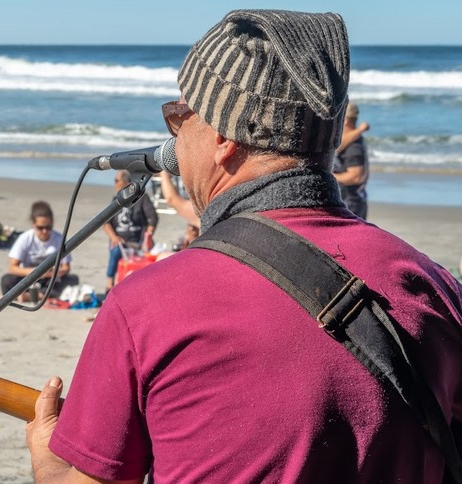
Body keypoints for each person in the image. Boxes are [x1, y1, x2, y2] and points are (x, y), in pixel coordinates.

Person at [26, 9, 462, 483]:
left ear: (221, 138)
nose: (171, 138)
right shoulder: (436, 286)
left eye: (177, 116)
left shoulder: (148, 306)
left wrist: (51, 469)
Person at [0, 201, 79, 302]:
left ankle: (34, 296)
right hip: (29, 278)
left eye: (48, 227)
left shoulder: (59, 239)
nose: (44, 231)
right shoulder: (25, 238)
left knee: (72, 280)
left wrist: (56, 272)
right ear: (33, 225)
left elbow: (66, 267)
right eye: (40, 228)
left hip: (50, 279)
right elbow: (12, 267)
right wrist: (36, 272)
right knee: (7, 280)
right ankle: (35, 295)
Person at [103, 170, 158, 292]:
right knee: (116, 248)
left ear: (126, 182)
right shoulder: (116, 200)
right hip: (120, 240)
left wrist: (149, 233)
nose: (115, 184)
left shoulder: (141, 198)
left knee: (152, 256)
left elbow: (152, 217)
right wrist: (114, 236)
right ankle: (109, 283)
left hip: (138, 239)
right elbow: (106, 222)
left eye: (117, 181)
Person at [333, 102, 370, 219]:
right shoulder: (351, 140)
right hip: (353, 200)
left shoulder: (353, 146)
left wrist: (328, 176)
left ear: (345, 121)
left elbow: (355, 177)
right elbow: (337, 147)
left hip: (351, 203)